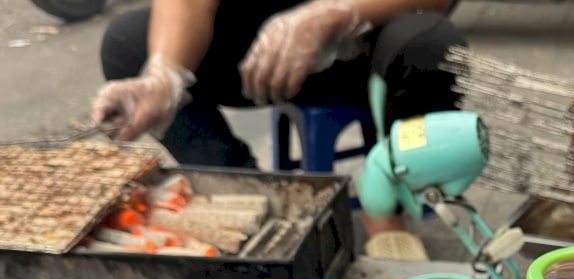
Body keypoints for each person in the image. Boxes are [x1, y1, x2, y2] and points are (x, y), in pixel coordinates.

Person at [91, 0, 466, 255]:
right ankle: (247, 200)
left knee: (431, 40)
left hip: (367, 45)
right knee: (128, 42)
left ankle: (387, 215)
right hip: (263, 55)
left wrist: (336, 13)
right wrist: (164, 76)